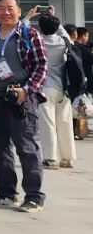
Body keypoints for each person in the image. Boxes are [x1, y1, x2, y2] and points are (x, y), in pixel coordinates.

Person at [0, 0, 48, 213]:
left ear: (19, 11)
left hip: (21, 99)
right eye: (1, 8)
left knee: (27, 149)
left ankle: (34, 196)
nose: (6, 12)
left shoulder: (29, 34)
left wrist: (27, 90)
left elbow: (41, 66)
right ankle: (6, 193)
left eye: (10, 8)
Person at [35, 13, 79, 170]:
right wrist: (55, 19)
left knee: (48, 124)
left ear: (40, 28)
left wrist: (28, 17)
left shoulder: (38, 41)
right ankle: (68, 158)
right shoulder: (64, 41)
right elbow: (64, 33)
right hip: (64, 88)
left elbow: (19, 33)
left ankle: (51, 159)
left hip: (45, 87)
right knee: (65, 123)